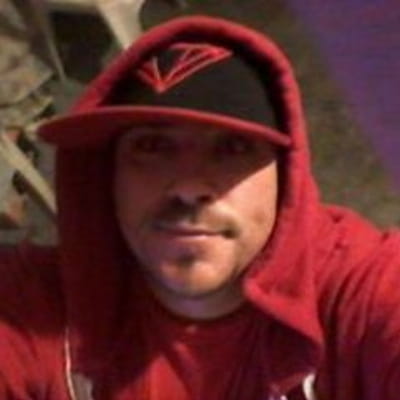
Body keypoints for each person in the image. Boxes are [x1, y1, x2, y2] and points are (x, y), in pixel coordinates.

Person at [1, 15, 400, 400]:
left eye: (233, 147)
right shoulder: (31, 305)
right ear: (108, 175)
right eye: (153, 146)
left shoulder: (360, 290)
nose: (189, 187)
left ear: (286, 175)